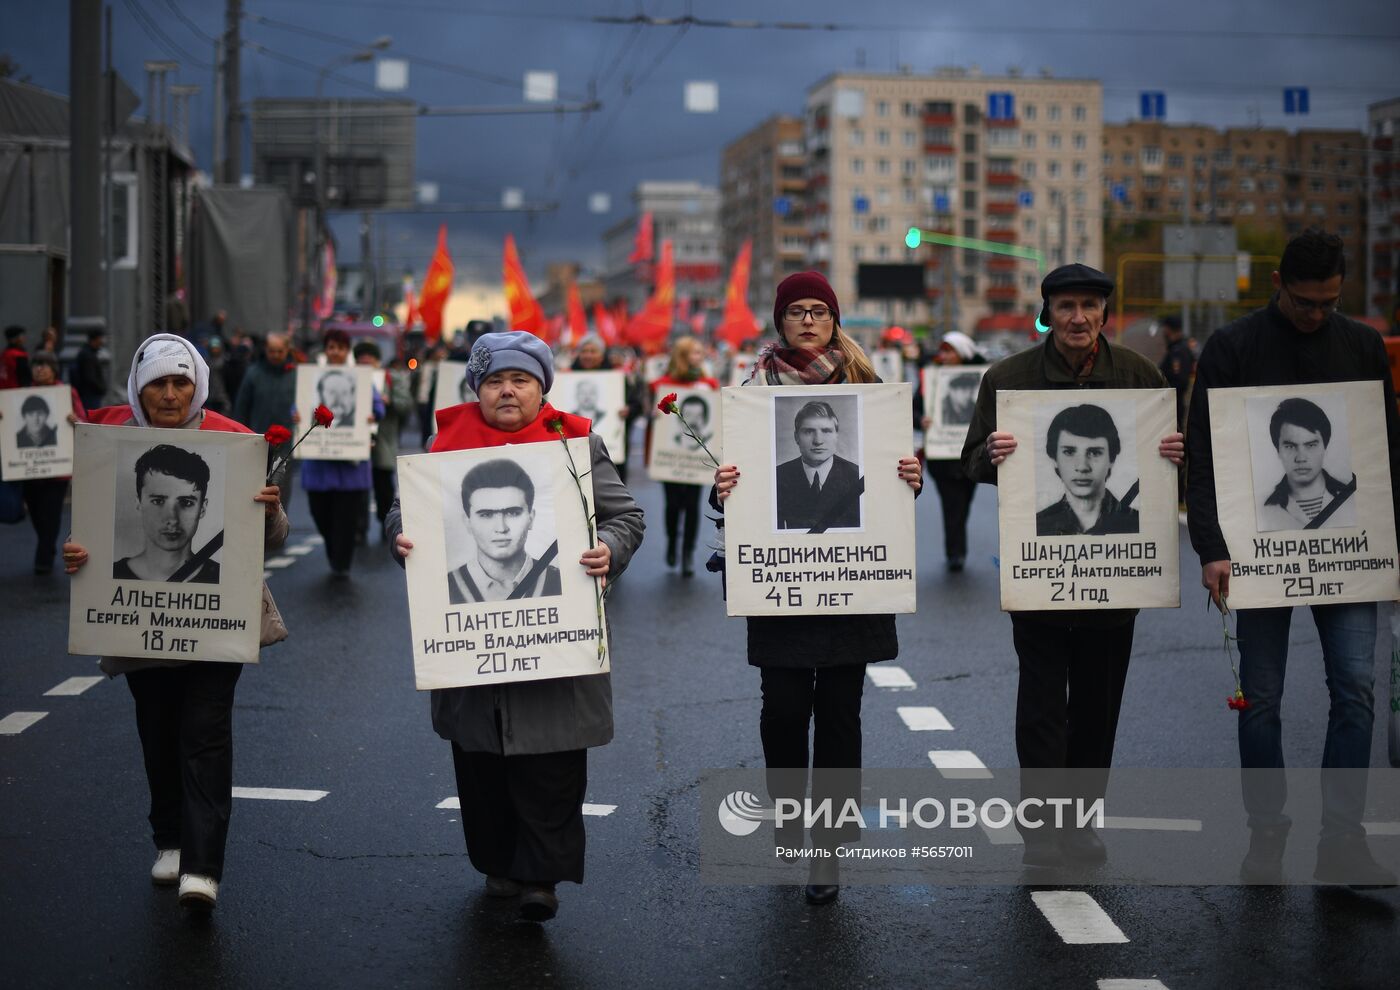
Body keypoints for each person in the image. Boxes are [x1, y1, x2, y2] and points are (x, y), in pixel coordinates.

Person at [386, 330, 644, 923]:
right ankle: (500, 865)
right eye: (495, 380)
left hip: (555, 645)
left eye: (520, 380)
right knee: (482, 764)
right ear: (476, 387)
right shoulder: (442, 444)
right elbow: (405, 509)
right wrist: (400, 535)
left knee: (551, 763)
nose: (507, 391)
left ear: (541, 387)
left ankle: (541, 880)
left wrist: (608, 546)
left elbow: (624, 514)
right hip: (472, 649)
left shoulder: (577, 441)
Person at [1187, 228, 1399, 887]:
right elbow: (1204, 458)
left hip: (1352, 552)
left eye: (1330, 303)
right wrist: (1212, 549)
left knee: (1357, 689)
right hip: (1258, 553)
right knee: (1263, 699)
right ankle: (1268, 835)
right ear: (1278, 284)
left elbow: (1386, 457)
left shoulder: (1362, 345)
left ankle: (1342, 842)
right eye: (1306, 302)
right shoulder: (1232, 347)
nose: (1317, 315)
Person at [712, 271, 923, 906]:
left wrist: (911, 477)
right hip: (781, 590)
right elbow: (733, 489)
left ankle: (826, 848)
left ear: (835, 322)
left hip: (851, 588)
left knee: (838, 715)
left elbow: (894, 489)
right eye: (796, 312)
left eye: (819, 311)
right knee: (782, 713)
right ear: (779, 322)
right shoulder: (752, 394)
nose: (807, 321)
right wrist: (721, 486)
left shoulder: (869, 392)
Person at [962, 263, 1181, 869]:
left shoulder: (1140, 376)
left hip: (1115, 582)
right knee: (1040, 708)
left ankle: (1081, 824)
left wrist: (1176, 452)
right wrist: (992, 451)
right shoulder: (1008, 378)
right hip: (1040, 575)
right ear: (1047, 313)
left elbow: (1171, 461)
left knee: (1096, 707)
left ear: (1106, 313)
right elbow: (970, 462)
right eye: (1066, 307)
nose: (1078, 318)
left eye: (1089, 306)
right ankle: (1041, 830)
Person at [62, 332, 288, 912]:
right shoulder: (110, 443)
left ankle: (203, 868)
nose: (169, 394)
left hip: (218, 621)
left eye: (180, 382)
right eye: (157, 383)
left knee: (206, 733)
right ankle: (168, 839)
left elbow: (271, 538)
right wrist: (77, 556)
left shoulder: (235, 443)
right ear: (138, 387)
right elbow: (87, 531)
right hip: (136, 620)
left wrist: (271, 508)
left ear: (199, 384)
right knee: (158, 730)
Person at [300, 329, 382, 577]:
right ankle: (335, 553)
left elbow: (378, 406)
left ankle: (341, 564)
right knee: (319, 513)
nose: (335, 351)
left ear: (347, 351)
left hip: (350, 465)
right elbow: (300, 405)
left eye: (340, 347)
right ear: (326, 349)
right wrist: (297, 414)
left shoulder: (361, 378)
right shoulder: (311, 377)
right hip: (319, 463)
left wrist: (372, 414)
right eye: (331, 346)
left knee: (346, 519)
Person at [0, 352, 85, 573]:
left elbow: (85, 423)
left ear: (54, 369)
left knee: (52, 513)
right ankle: (45, 545)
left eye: (45, 365)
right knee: (37, 513)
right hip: (29, 471)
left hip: (58, 471)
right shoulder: (19, 395)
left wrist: (75, 421)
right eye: (37, 365)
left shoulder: (67, 393)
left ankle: (44, 557)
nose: (40, 369)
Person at [649, 336, 719, 577]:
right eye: (694, 353)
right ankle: (672, 542)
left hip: (696, 458)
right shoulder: (661, 384)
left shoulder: (708, 384)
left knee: (692, 506)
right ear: (682, 356)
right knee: (672, 504)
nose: (699, 357)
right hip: (670, 457)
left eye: (701, 353)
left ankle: (687, 552)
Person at [916, 332, 985, 572]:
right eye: (942, 350)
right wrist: (920, 420)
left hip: (971, 458)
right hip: (942, 458)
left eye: (949, 351)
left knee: (963, 503)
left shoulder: (982, 378)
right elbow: (914, 409)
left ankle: (957, 546)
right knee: (952, 504)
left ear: (962, 354)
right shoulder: (931, 378)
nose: (943, 356)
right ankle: (956, 553)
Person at [448, 458, 561, 603]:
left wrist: (600, 539)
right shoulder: (443, 589)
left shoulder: (562, 582)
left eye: (513, 513)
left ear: (531, 519)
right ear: (468, 522)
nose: (501, 528)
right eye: (486, 515)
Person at [112, 444, 220, 584]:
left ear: (202, 508)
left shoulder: (224, 579)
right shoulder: (110, 575)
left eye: (186, 503)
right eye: (158, 501)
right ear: (139, 502)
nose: (172, 519)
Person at [1035, 404, 1140, 537]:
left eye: (1095, 452)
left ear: (1111, 458)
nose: (1083, 467)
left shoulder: (1137, 524)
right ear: (1054, 458)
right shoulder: (1038, 526)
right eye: (1069, 452)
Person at [1255, 397, 1357, 532]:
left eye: (1311, 445)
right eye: (1290, 446)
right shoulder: (1262, 511)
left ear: (1324, 447)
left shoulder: (1354, 498)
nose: (1301, 458)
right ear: (1278, 449)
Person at [354, 341, 413, 541]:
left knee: (383, 487)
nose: (366, 365)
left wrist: (390, 402)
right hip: (355, 441)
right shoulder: (351, 378)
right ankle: (359, 528)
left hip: (383, 440)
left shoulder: (390, 379)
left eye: (369, 361)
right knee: (358, 489)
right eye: (361, 361)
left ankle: (385, 523)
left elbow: (406, 405)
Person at [233, 333, 298, 510]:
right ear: (265, 351)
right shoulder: (253, 374)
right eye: (272, 351)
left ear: (287, 350)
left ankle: (278, 535)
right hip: (257, 445)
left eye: (279, 351)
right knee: (254, 496)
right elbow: (241, 408)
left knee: (280, 500)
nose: (275, 355)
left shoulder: (296, 375)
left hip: (286, 448)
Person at [774, 400, 862, 531]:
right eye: (809, 431)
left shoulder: (857, 477)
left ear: (836, 436)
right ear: (796, 437)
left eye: (826, 431)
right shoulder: (777, 477)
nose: (818, 441)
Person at [1157, 314, 1195, 430]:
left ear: (1169, 329)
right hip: (1171, 402)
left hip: (1173, 403)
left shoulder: (1178, 351)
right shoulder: (1177, 348)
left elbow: (1180, 380)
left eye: (1165, 329)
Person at [75, 329, 109, 411]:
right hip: (90, 396)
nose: (102, 342)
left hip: (88, 395)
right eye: (100, 339)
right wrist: (101, 388)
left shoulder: (87, 353)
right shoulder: (88, 355)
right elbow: (89, 377)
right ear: (95, 339)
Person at [203, 337, 232, 415]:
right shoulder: (206, 362)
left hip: (223, 395)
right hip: (210, 396)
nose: (215, 350)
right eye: (213, 348)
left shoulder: (226, 362)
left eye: (217, 348)